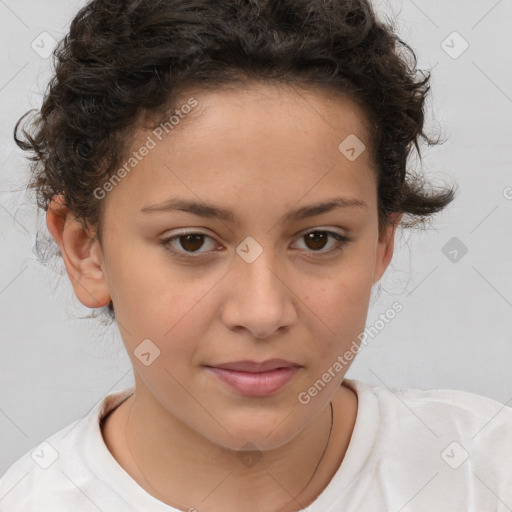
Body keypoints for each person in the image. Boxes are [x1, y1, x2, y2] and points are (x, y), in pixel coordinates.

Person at [1, 0, 511, 510]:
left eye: (318, 239)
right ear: (86, 251)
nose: (263, 314)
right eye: (192, 242)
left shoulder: (486, 472)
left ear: (382, 241)